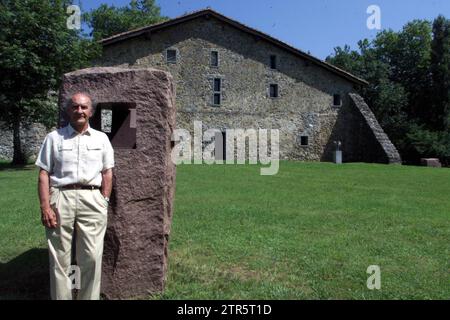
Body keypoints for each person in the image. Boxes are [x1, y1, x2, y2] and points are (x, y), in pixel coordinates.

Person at [36, 92, 114, 300]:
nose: (79, 111)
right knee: (59, 258)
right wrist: (45, 206)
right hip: (61, 198)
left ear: (91, 111)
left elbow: (107, 172)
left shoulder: (102, 139)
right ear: (68, 110)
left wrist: (103, 200)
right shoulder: (53, 138)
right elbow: (44, 173)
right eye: (75, 107)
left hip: (92, 199)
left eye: (84, 107)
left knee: (92, 257)